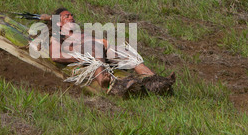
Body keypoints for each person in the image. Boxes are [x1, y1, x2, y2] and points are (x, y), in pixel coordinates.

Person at [39, 7, 174, 94]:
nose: (71, 17)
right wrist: (80, 58)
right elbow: (56, 56)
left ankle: (153, 80)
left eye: (71, 15)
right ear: (59, 23)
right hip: (88, 56)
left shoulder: (82, 33)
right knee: (94, 48)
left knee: (124, 51)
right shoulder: (58, 36)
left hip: (102, 54)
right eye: (66, 16)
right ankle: (103, 81)